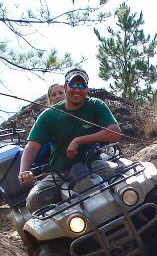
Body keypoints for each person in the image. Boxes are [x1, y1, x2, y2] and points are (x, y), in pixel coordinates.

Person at [19, 68, 120, 212]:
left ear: (87, 89)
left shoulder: (96, 105)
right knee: (34, 201)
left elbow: (115, 133)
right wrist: (24, 170)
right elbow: (32, 146)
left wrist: (78, 140)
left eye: (82, 86)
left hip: (92, 163)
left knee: (117, 180)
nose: (77, 90)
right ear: (65, 87)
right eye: (73, 85)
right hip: (60, 172)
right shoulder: (49, 115)